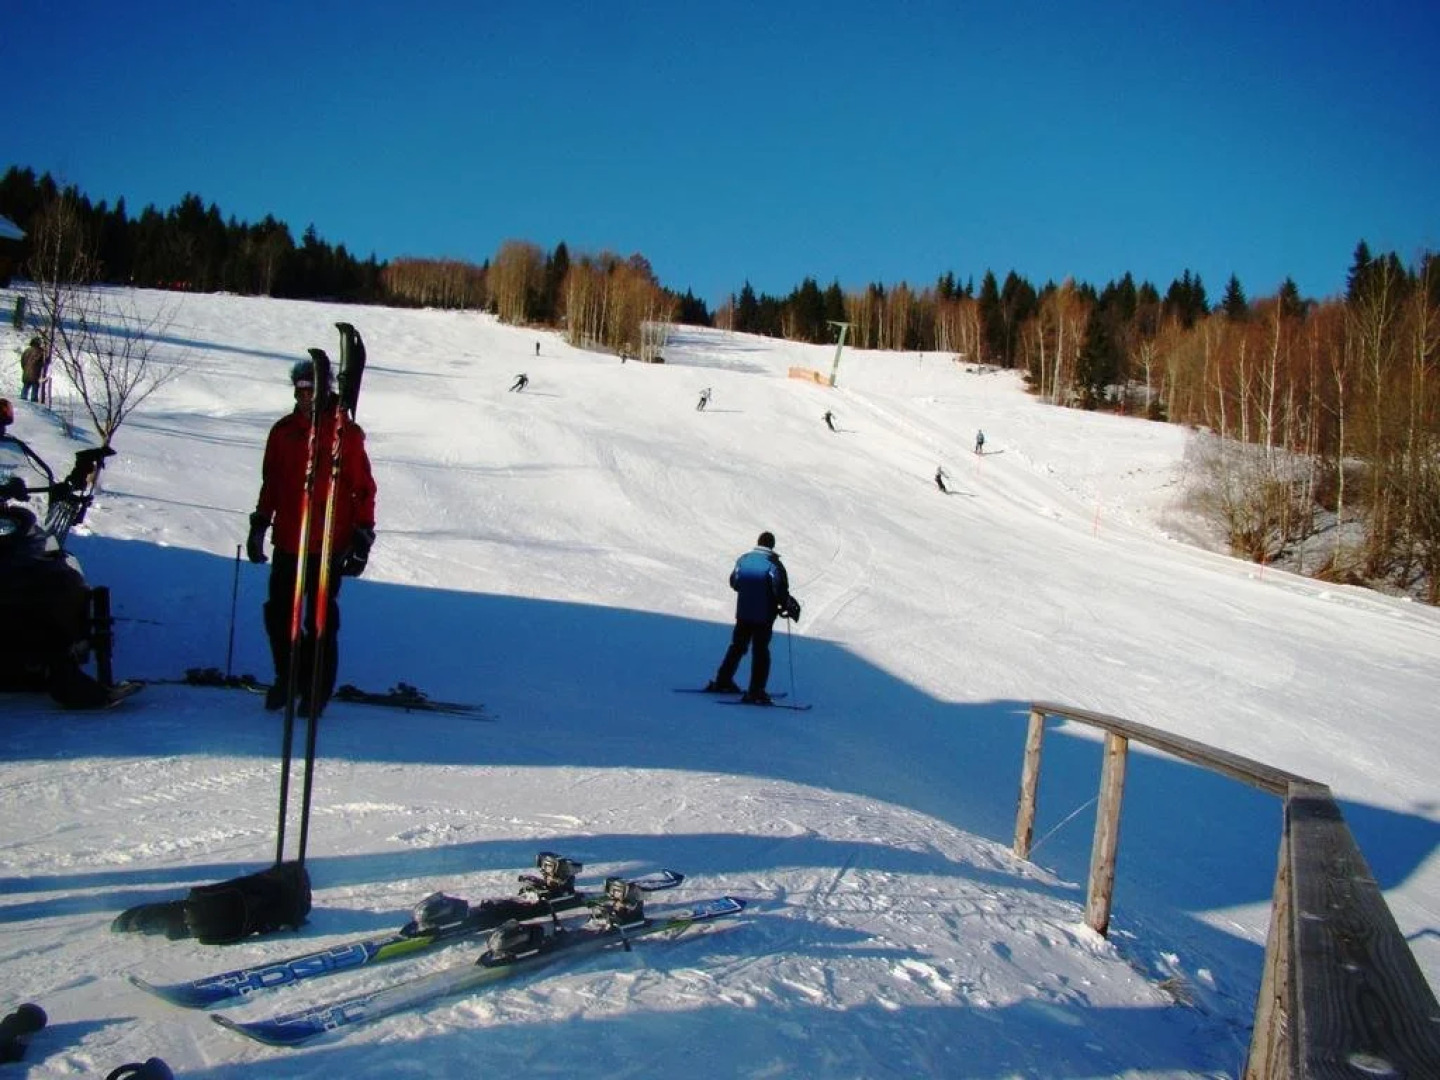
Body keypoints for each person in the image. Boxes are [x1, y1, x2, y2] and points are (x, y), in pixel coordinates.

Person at [247, 358, 377, 716]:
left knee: (318, 619)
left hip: (327, 544)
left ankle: (317, 689)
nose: (305, 397)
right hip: (289, 539)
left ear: (325, 390)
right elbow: (271, 482)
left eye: (311, 390)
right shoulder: (284, 431)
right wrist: (260, 524)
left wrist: (362, 537)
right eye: (299, 390)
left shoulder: (344, 435)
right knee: (278, 614)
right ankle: (288, 677)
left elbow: (363, 489)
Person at [705, 531, 801, 705]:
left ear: (758, 542)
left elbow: (735, 582)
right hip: (763, 616)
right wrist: (786, 605)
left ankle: (723, 680)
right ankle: (756, 691)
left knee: (737, 646)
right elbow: (779, 590)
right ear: (772, 546)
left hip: (743, 613)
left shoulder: (744, 559)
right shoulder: (773, 564)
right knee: (760, 651)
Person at [19, 338, 45, 403]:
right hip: (35, 372)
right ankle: (34, 399)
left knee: (26, 385)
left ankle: (23, 398)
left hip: (26, 371)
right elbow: (42, 363)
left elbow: (22, 361)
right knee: (35, 386)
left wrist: (25, 368)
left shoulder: (26, 351)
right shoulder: (40, 352)